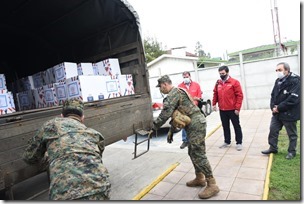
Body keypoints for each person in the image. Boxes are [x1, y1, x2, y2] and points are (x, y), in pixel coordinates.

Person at [22, 98, 111, 200]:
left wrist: (49, 157)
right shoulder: (95, 135)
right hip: (100, 190)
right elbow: (95, 159)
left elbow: (29, 157)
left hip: (65, 195)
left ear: (62, 116)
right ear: (82, 118)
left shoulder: (50, 125)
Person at [152, 75, 219, 199]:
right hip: (193, 123)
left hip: (196, 123)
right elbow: (178, 115)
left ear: (165, 84)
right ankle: (200, 178)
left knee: (198, 153)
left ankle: (212, 184)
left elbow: (165, 113)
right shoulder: (179, 91)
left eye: (160, 87)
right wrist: (171, 130)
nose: (160, 90)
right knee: (192, 151)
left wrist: (153, 127)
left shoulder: (173, 94)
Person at [261, 62, 300, 159]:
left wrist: (279, 108)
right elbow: (273, 95)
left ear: (287, 70)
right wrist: (273, 107)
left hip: (289, 113)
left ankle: (292, 152)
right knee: (273, 130)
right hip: (277, 113)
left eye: (280, 70)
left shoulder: (296, 81)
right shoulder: (278, 80)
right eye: (276, 70)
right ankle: (273, 148)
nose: (278, 72)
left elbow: (293, 99)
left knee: (292, 134)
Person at [212, 65, 244, 151]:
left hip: (232, 109)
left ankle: (239, 142)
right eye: (220, 74)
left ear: (227, 72)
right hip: (222, 109)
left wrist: (237, 108)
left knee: (236, 126)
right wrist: (214, 104)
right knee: (225, 126)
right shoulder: (218, 83)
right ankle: (227, 141)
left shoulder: (234, 82)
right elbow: (215, 94)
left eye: (223, 73)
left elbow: (239, 96)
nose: (221, 75)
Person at [178, 71, 202, 149]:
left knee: (195, 124)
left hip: (194, 108)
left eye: (187, 77)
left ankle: (195, 140)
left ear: (190, 76)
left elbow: (199, 96)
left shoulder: (196, 85)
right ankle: (185, 141)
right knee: (185, 124)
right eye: (184, 77)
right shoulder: (180, 87)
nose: (186, 78)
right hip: (185, 109)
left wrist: (195, 101)